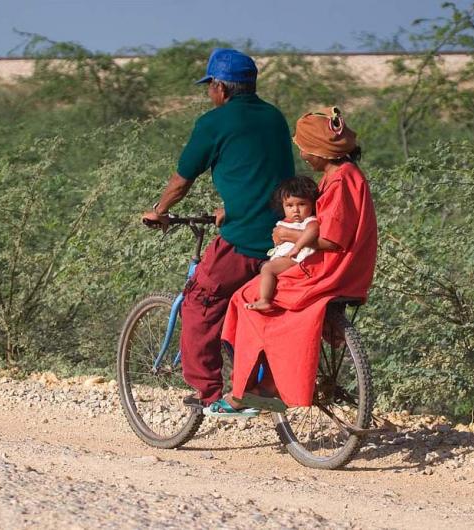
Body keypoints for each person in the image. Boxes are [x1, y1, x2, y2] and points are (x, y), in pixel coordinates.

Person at [141, 48, 295, 414]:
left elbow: (182, 181)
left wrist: (159, 210)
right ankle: (254, 382)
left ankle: (206, 393)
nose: (209, 93)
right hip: (286, 237)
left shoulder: (214, 122)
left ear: (221, 88)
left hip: (245, 240)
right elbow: (265, 174)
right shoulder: (275, 117)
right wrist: (232, 206)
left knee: (199, 302)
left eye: (210, 86)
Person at [221, 106, 378, 411]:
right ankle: (266, 383)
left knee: (245, 298)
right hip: (346, 265)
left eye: (306, 150)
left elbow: (331, 238)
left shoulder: (340, 181)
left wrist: (287, 237)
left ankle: (258, 387)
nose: (304, 156)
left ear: (321, 151)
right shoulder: (344, 175)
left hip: (331, 268)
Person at [245, 176, 320, 312]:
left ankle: (264, 300)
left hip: (298, 260)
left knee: (268, 268)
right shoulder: (284, 223)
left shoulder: (309, 221)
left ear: (312, 204)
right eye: (290, 205)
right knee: (263, 270)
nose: (295, 210)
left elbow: (313, 231)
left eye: (302, 204)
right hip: (287, 259)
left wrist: (298, 246)